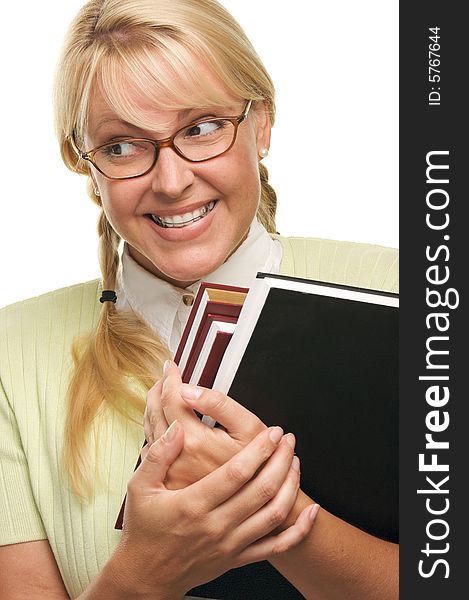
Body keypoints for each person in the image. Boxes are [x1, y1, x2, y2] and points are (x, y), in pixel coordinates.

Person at [0, 0, 399, 598]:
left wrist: (276, 513)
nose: (171, 180)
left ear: (260, 124)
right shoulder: (10, 356)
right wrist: (146, 566)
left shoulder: (405, 289)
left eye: (201, 127)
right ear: (85, 165)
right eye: (122, 145)